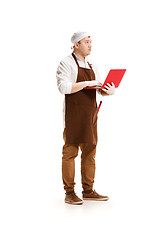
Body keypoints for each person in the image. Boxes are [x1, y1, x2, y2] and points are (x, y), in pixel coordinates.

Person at [56, 32, 115, 205]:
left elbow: (98, 88)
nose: (90, 45)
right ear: (76, 44)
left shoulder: (91, 64)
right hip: (73, 115)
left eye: (91, 42)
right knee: (70, 153)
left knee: (90, 154)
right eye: (86, 42)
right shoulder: (66, 63)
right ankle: (69, 192)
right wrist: (87, 83)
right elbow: (64, 87)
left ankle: (88, 190)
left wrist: (108, 90)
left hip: (90, 115)